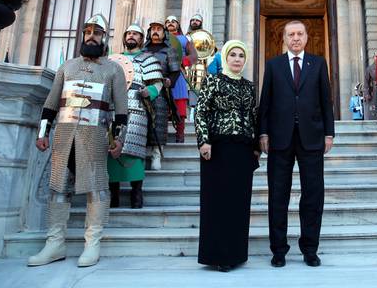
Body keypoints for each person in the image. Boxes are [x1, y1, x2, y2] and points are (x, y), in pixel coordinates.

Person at [29, 14, 128, 267]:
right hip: (64, 134)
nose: (92, 36)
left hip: (95, 134)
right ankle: (54, 244)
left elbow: (121, 110)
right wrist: (43, 133)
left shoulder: (113, 69)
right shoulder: (67, 67)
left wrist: (119, 139)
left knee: (96, 187)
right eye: (88, 32)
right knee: (58, 188)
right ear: (83, 36)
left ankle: (92, 243)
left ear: (104, 37)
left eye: (97, 32)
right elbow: (51, 103)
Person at [258, 20, 335, 268]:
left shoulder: (318, 63)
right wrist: (263, 134)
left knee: (313, 196)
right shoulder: (273, 65)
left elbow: (326, 100)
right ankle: (278, 250)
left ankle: (310, 248)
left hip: (312, 138)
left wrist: (329, 134)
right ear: (284, 39)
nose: (295, 38)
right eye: (290, 34)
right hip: (279, 139)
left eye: (299, 34)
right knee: (278, 196)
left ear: (306, 37)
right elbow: (266, 102)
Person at [195, 40, 259, 272]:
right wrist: (203, 141)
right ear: (225, 58)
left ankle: (236, 254)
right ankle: (218, 255)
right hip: (217, 148)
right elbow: (201, 111)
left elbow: (253, 116)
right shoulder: (213, 80)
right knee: (217, 202)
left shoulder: (249, 86)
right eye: (232, 54)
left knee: (238, 203)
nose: (236, 59)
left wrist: (255, 148)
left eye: (241, 55)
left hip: (242, 150)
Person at [108, 23, 163, 209]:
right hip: (113, 108)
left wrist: (151, 91)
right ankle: (113, 195)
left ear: (141, 38)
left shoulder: (148, 59)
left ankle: (136, 194)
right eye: (129, 33)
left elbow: (158, 83)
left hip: (137, 108)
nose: (131, 36)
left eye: (135, 34)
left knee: (134, 149)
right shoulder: (113, 59)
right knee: (111, 149)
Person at [142, 21, 181, 170]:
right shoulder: (142, 49)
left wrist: (169, 81)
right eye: (153, 29)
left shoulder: (169, 50)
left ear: (164, 33)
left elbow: (175, 70)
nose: (155, 32)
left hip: (161, 91)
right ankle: (140, 153)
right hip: (142, 86)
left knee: (159, 122)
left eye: (159, 29)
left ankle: (156, 155)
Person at [165, 15, 197, 142]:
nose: (170, 23)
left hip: (179, 74)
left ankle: (180, 134)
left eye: (173, 21)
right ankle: (163, 133)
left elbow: (194, 56)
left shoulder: (185, 39)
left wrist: (182, 61)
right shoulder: (160, 39)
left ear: (178, 24)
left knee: (180, 102)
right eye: (167, 22)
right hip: (163, 73)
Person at [363, 52, 377, 120]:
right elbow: (366, 83)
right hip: (373, 91)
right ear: (373, 58)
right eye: (376, 56)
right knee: (373, 110)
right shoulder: (369, 68)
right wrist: (367, 93)